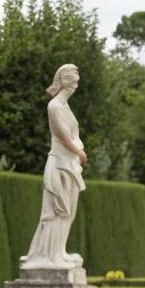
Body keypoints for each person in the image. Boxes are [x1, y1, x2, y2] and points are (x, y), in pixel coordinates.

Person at [21, 64, 87, 270]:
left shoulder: (65, 107)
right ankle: (49, 255)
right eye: (73, 81)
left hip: (70, 165)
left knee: (68, 212)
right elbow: (63, 137)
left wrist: (77, 154)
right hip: (59, 165)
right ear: (65, 81)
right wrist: (80, 152)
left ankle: (59, 251)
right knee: (57, 210)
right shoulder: (54, 106)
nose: (76, 86)